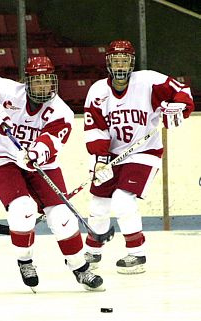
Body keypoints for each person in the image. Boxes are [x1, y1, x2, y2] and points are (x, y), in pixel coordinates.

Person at [0, 56, 104, 291]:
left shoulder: (61, 112)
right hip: (0, 157)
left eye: (47, 81)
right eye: (37, 81)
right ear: (27, 81)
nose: (43, 86)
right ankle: (25, 261)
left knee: (62, 217)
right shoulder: (5, 90)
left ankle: (80, 268)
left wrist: (36, 153)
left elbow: (52, 141)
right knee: (22, 209)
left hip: (41, 164)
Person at [83, 40, 194, 274]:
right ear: (108, 63)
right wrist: (101, 159)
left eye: (124, 59)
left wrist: (179, 109)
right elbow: (96, 128)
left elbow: (182, 93)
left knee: (123, 200)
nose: (120, 64)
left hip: (145, 152)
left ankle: (137, 254)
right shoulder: (98, 91)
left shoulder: (148, 81)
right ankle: (93, 250)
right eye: (116, 60)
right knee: (99, 204)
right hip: (112, 155)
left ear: (132, 62)